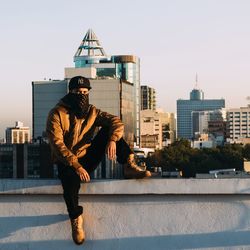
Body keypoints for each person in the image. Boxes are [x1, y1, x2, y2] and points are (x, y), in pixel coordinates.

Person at [46, 75, 151, 245]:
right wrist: (76, 166)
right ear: (70, 92)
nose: (82, 95)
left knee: (110, 132)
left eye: (85, 92)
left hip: (87, 157)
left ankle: (129, 165)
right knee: (69, 182)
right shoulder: (57, 114)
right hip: (67, 162)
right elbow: (58, 145)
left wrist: (112, 140)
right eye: (78, 91)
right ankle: (76, 219)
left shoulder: (92, 112)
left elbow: (116, 122)